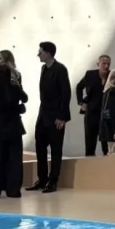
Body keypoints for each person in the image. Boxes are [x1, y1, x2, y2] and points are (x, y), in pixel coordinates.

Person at [0, 50, 27, 200]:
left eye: (0, 59)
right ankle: (13, 190)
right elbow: (23, 97)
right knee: (14, 156)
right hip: (12, 121)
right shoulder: (15, 77)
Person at [29, 41, 71, 194]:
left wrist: (61, 116)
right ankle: (42, 179)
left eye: (40, 52)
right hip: (43, 114)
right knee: (40, 147)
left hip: (56, 116)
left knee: (55, 149)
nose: (38, 55)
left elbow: (66, 94)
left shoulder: (60, 69)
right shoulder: (44, 69)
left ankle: (53, 181)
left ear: (48, 53)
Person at [76, 54, 115, 156]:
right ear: (98, 64)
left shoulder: (112, 76)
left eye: (108, 64)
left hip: (106, 114)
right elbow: (79, 87)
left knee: (106, 145)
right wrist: (81, 102)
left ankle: (106, 163)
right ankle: (89, 163)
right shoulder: (90, 75)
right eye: (104, 64)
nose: (106, 66)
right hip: (91, 112)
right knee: (90, 143)